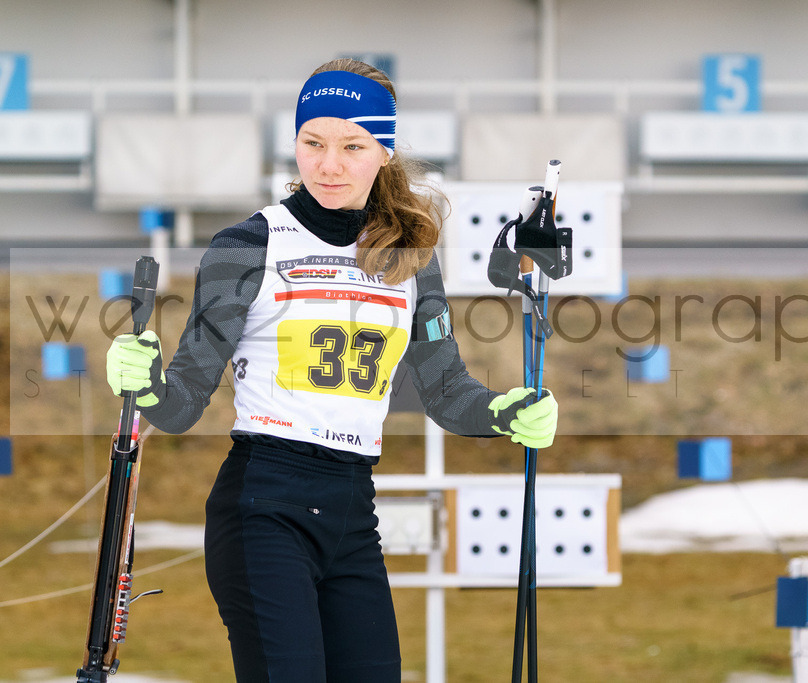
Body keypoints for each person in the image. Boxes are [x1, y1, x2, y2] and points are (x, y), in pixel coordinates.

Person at [105, 58, 558, 683]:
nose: (329, 164)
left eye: (352, 145)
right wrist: (142, 376)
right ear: (294, 144)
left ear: (383, 153)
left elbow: (448, 392)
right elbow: (180, 403)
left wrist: (507, 412)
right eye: (312, 143)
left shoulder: (409, 257)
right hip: (263, 505)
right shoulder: (250, 245)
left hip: (352, 513)